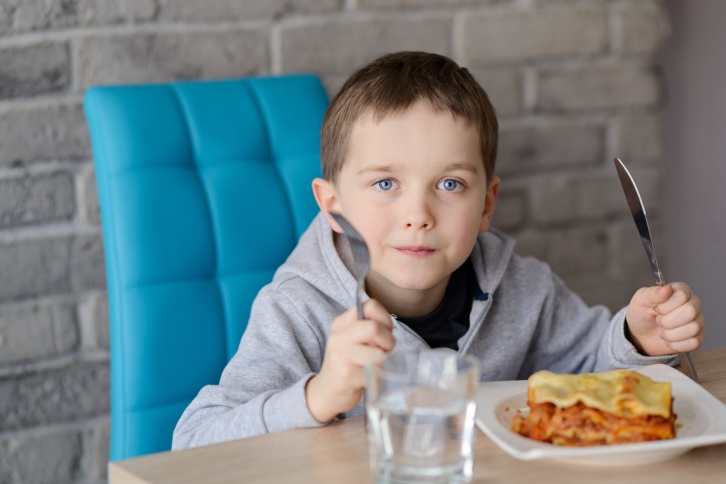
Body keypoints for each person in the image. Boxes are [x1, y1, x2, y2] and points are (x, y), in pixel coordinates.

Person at [172, 51, 705, 449]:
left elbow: (592, 366)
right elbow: (193, 442)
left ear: (486, 204)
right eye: (385, 184)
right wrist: (319, 396)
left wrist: (637, 337)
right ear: (332, 206)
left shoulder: (522, 287)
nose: (419, 214)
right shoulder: (298, 309)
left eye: (450, 185)